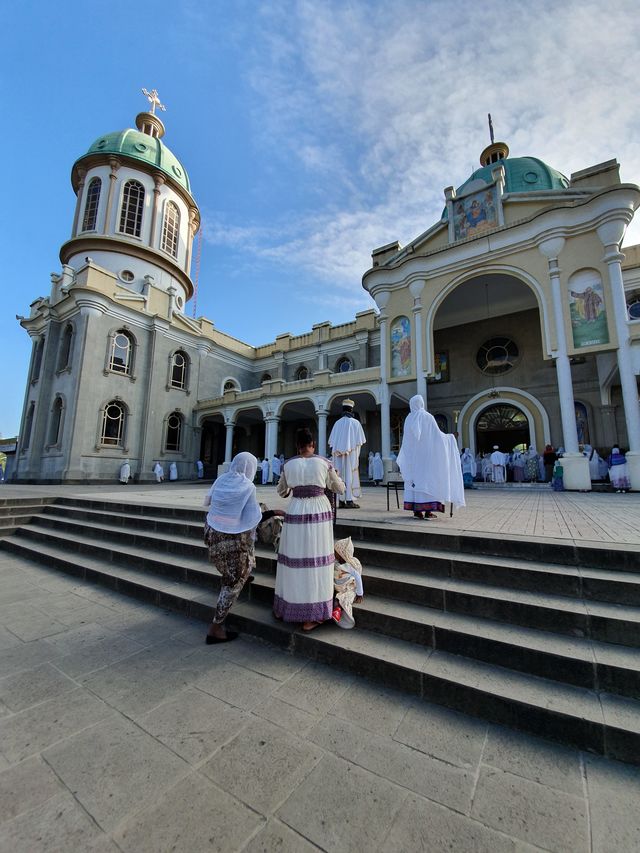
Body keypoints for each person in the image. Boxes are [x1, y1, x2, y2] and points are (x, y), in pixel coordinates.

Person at [274, 427, 345, 631]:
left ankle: (288, 608)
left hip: (296, 508)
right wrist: (333, 478)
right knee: (317, 559)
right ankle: (312, 615)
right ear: (312, 444)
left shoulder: (288, 464)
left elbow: (281, 491)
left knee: (295, 558)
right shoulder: (324, 462)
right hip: (318, 510)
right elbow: (340, 488)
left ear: (297, 446)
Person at [203, 452, 262, 643]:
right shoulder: (248, 486)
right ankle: (216, 627)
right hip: (229, 540)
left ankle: (245, 571)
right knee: (233, 581)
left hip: (211, 532)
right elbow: (253, 518)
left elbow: (208, 502)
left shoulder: (221, 480)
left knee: (244, 556)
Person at [396, 395, 465, 519]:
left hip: (413, 461)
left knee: (415, 483)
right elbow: (437, 437)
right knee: (428, 481)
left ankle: (417, 511)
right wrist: (450, 437)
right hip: (427, 460)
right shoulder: (427, 417)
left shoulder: (409, 418)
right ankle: (428, 511)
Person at [328, 398, 366, 508]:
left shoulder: (337, 423)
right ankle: (349, 500)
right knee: (349, 476)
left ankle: (340, 500)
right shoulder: (356, 423)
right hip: (350, 456)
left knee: (339, 476)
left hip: (338, 456)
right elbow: (360, 441)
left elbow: (332, 442)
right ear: (351, 409)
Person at [332, 537, 364, 629]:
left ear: (342, 554)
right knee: (335, 596)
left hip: (348, 586)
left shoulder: (350, 566)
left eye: (336, 552)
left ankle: (338, 610)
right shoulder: (336, 563)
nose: (334, 553)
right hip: (337, 586)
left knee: (344, 597)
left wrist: (360, 593)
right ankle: (336, 609)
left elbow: (358, 577)